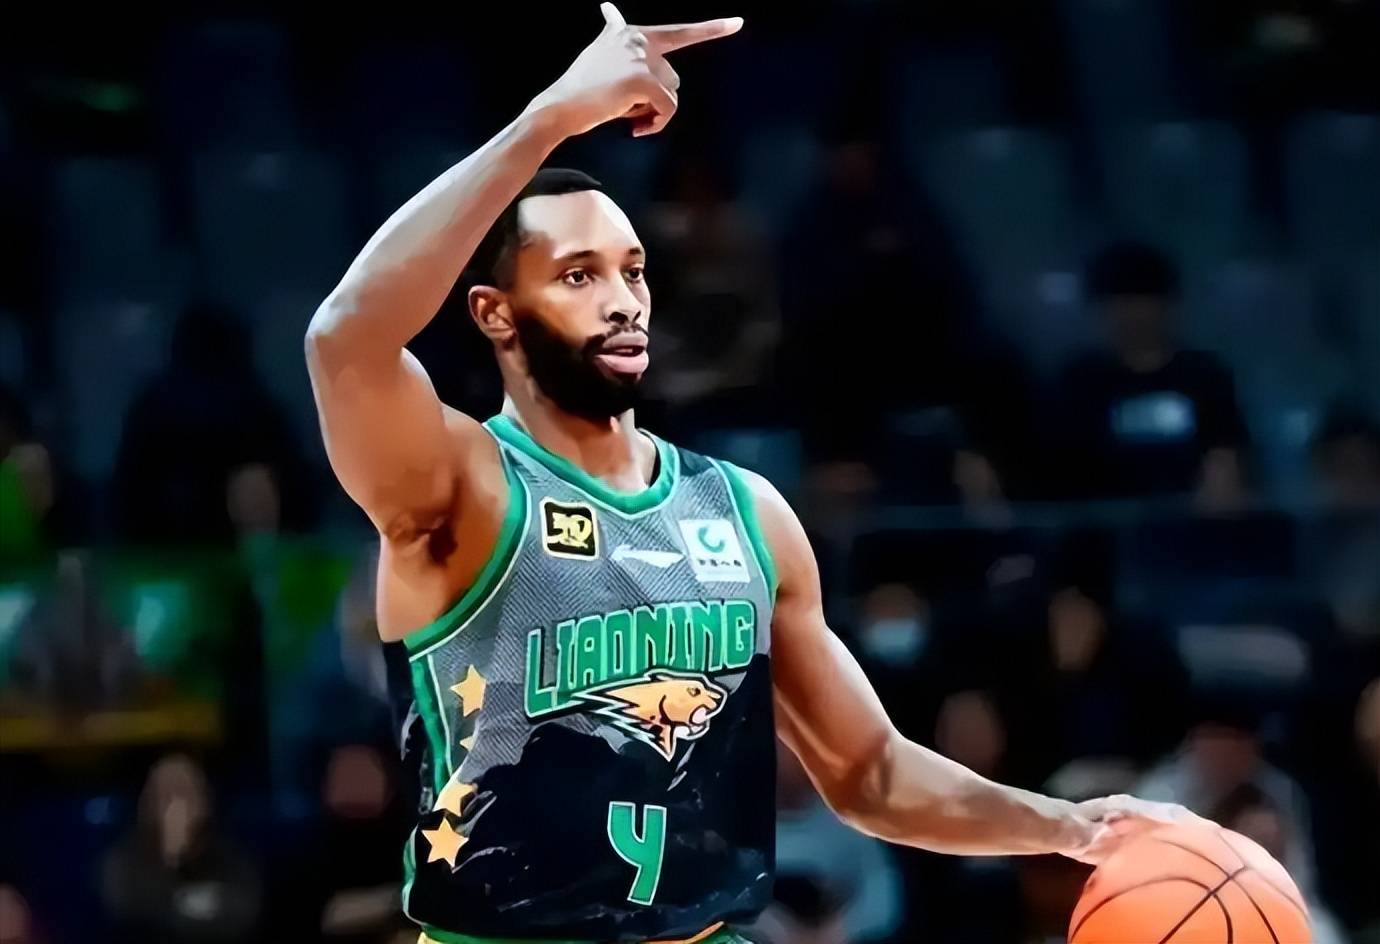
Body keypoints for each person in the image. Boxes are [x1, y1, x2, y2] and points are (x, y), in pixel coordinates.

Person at [306, 6, 1199, 942]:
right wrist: (551, 119)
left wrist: (1071, 827)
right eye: (578, 276)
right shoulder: (463, 483)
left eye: (633, 271)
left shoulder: (744, 511)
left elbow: (870, 774)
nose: (622, 301)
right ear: (495, 313)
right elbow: (345, 338)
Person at [1051, 242, 1249, 505]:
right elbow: (1062, 468)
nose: (1132, 313)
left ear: (1168, 305)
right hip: (1104, 525)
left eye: (1142, 299)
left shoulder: (1205, 376)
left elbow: (1225, 454)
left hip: (1193, 524)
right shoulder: (1079, 382)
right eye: (1119, 301)